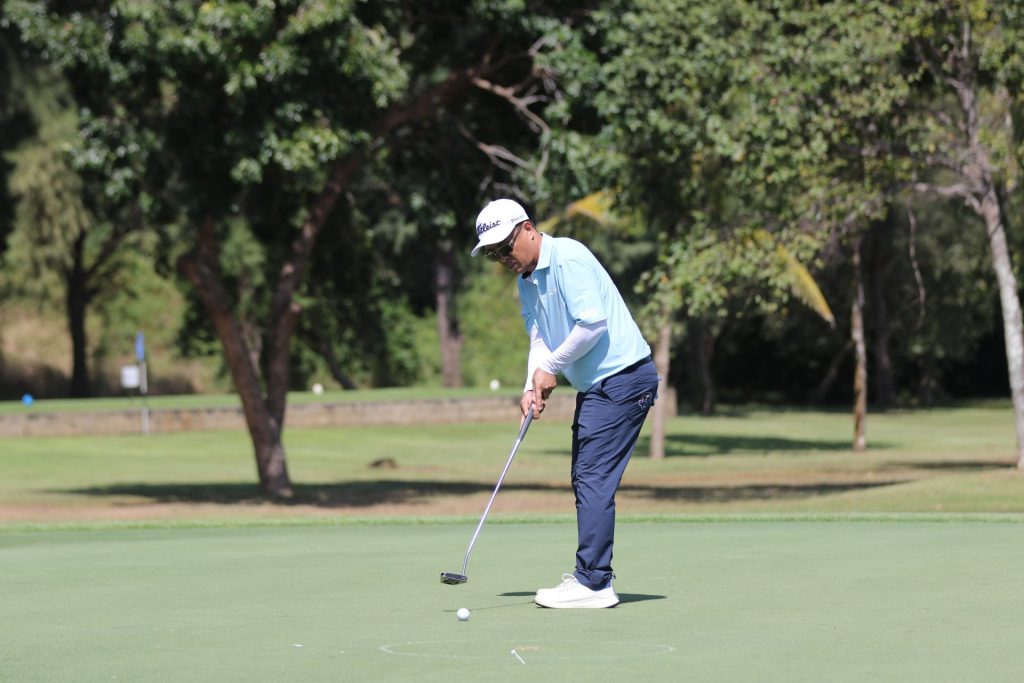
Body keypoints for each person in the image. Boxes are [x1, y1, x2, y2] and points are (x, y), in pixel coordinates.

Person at [471, 198, 659, 609]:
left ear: (527, 228)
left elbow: (592, 325)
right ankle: (592, 577)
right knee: (586, 476)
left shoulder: (568, 257)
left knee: (592, 477)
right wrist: (531, 385)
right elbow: (540, 336)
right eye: (494, 254)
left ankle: (594, 583)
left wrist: (552, 368)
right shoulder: (527, 282)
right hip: (600, 385)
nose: (503, 258)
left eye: (505, 247)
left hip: (624, 377)